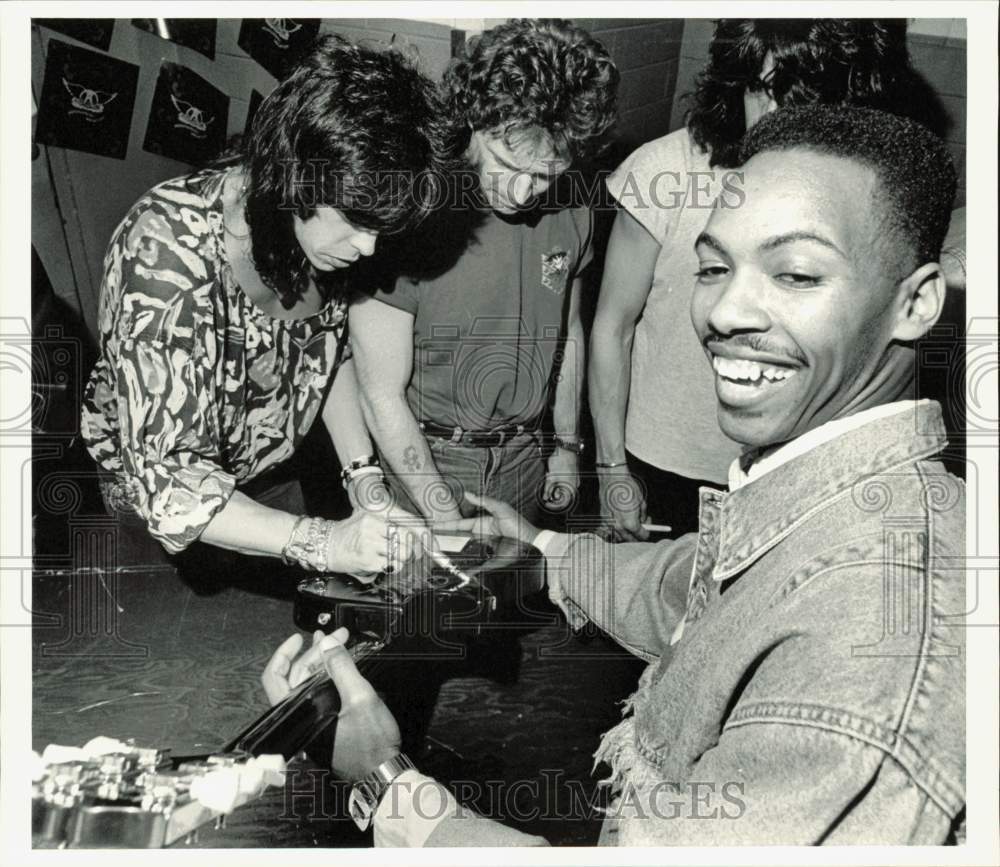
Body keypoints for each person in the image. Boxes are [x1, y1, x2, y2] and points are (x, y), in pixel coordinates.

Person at [264, 105, 966, 845]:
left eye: (795, 272)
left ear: (915, 303)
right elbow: (695, 592)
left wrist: (386, 781)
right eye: (714, 266)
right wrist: (541, 550)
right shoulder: (830, 500)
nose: (725, 310)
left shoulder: (874, 637)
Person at [80, 35, 447, 577]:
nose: (369, 248)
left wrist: (365, 482)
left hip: (261, 471)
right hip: (155, 511)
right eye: (357, 222)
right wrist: (325, 543)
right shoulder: (165, 253)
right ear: (295, 176)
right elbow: (171, 485)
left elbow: (327, 353)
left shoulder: (317, 235)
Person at [590, 19, 967, 541]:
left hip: (793, 470)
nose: (776, 113)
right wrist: (611, 470)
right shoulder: (662, 170)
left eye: (804, 93)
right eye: (761, 89)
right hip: (660, 463)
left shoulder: (870, 190)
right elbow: (613, 326)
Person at [350, 18, 619, 526]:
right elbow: (378, 393)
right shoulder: (410, 209)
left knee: (513, 601)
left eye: (544, 175)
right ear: (469, 120)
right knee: (425, 605)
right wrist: (442, 514)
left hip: (525, 455)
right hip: (426, 459)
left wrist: (564, 445)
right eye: (505, 164)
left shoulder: (575, 207)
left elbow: (569, 332)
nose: (522, 194)